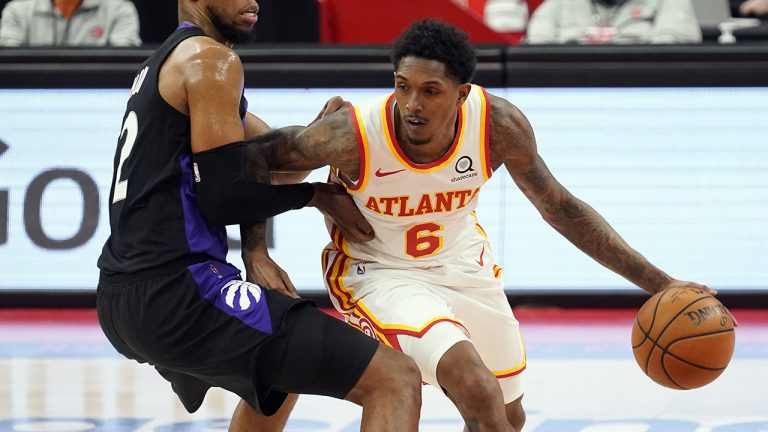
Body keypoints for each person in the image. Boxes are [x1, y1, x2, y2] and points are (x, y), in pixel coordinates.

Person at [242, 19, 714, 432]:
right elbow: (258, 157)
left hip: (462, 263)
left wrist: (660, 284)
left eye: (430, 91)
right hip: (380, 273)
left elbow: (561, 208)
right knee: (477, 389)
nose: (412, 104)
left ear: (462, 94)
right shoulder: (352, 133)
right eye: (403, 86)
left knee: (507, 418)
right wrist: (258, 251)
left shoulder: (496, 125)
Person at [95, 0, 422, 431]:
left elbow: (265, 159)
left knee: (284, 370)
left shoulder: (168, 60)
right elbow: (225, 198)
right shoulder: (211, 59)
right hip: (177, 291)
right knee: (395, 378)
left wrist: (313, 140)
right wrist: (318, 196)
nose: (254, 2)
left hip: (121, 294)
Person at [525, 0, 702, 44]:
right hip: (570, 91)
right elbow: (534, 53)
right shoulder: (559, 4)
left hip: (644, 92)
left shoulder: (669, 2)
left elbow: (671, 58)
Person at [0, 0, 141, 47]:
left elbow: (125, 70)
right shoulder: (17, 11)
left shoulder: (119, 10)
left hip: (97, 98)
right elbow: (6, 67)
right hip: (31, 100)